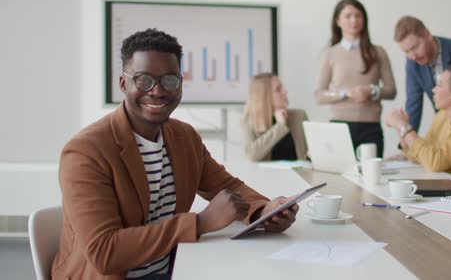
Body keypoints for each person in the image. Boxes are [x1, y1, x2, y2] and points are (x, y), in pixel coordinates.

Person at [52, 29, 299, 280]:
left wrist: (264, 211)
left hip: (171, 271)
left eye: (169, 80)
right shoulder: (86, 151)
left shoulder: (184, 138)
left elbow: (227, 187)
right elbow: (104, 251)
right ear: (123, 84)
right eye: (144, 80)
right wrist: (200, 223)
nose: (157, 91)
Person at [315, 0, 396, 157]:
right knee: (339, 179)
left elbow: (391, 90)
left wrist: (372, 91)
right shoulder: (330, 54)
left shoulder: (378, 52)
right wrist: (345, 93)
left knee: (371, 177)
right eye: (348, 16)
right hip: (340, 128)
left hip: (371, 127)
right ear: (338, 21)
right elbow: (319, 95)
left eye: (358, 15)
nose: (354, 20)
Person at [385, 65, 451, 179]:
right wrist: (401, 129)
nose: (433, 89)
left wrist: (403, 126)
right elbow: (422, 155)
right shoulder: (442, 115)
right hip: (449, 188)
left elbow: (435, 163)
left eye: (439, 85)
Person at [241, 73, 308, 162]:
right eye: (278, 89)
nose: (285, 92)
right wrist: (280, 126)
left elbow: (312, 153)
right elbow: (252, 155)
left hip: (298, 175)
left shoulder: (299, 116)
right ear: (264, 96)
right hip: (267, 175)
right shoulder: (249, 121)